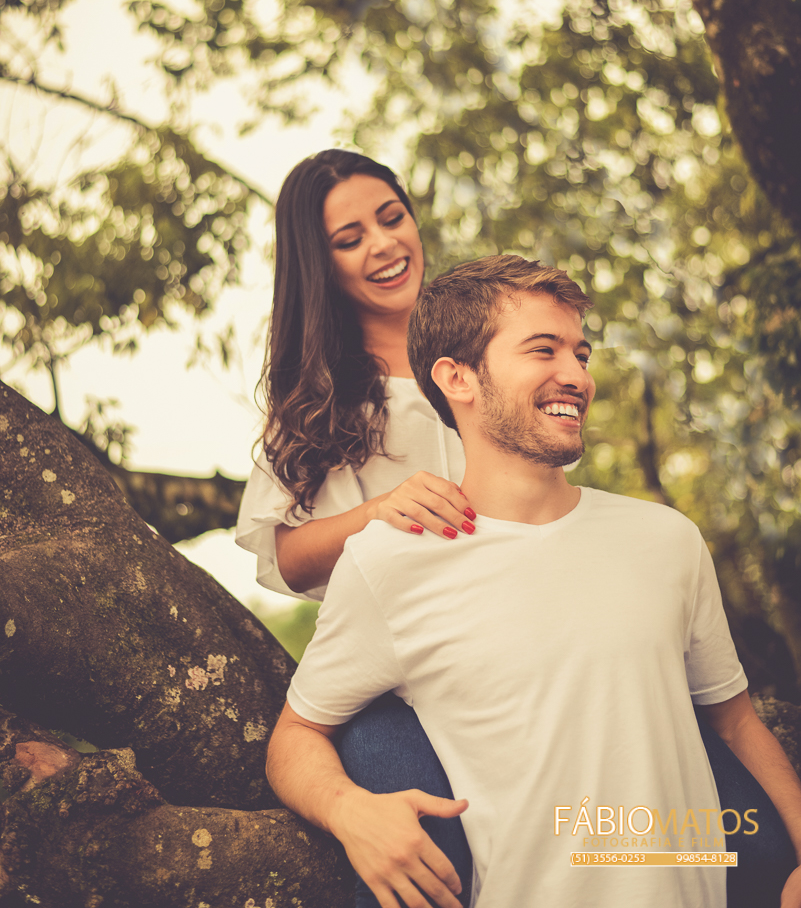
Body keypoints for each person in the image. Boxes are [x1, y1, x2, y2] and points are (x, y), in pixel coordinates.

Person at [266, 255, 801, 908]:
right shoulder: (390, 562)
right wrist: (350, 811)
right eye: (543, 350)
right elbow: (295, 735)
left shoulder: (667, 541)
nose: (576, 375)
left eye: (581, 353)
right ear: (457, 378)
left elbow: (735, 722)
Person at [235, 149, 475, 903]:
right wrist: (378, 513)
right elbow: (286, 558)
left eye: (391, 218)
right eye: (349, 239)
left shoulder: (485, 353)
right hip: (401, 683)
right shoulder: (320, 399)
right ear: (322, 266)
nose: (382, 244)